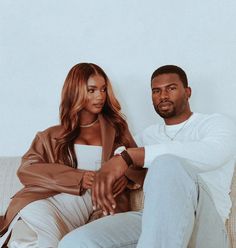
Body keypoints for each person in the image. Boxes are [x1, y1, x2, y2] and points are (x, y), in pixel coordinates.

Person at [59, 65, 236, 248]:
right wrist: (121, 164)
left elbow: (211, 154)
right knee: (75, 242)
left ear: (188, 92)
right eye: (156, 91)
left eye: (171, 88)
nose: (163, 96)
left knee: (167, 164)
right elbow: (119, 153)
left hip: (206, 225)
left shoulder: (216, 123)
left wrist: (131, 157)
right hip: (155, 220)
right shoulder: (147, 136)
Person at [0, 63, 146, 248]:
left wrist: (124, 175)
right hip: (45, 206)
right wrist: (80, 178)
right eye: (91, 90)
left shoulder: (117, 130)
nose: (100, 96)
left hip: (92, 216)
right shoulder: (50, 136)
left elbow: (139, 168)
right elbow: (26, 170)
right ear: (75, 92)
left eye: (103, 90)